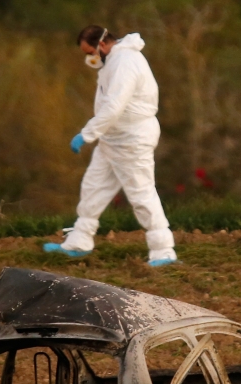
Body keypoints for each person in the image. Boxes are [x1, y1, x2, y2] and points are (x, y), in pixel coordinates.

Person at [43, 25, 177, 267]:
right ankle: (80, 240)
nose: (90, 58)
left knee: (141, 192)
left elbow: (114, 106)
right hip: (113, 139)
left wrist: (87, 133)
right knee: (93, 186)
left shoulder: (125, 63)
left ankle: (163, 249)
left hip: (132, 140)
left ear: (102, 45)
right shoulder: (113, 62)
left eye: (90, 51)